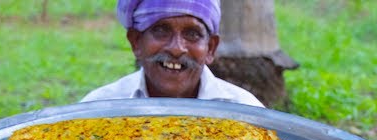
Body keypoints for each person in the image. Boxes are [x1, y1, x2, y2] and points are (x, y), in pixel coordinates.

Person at [82, 0, 263, 106]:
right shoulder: (100, 108)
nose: (177, 48)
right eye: (161, 30)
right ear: (136, 42)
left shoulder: (245, 111)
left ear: (211, 48)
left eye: (192, 34)